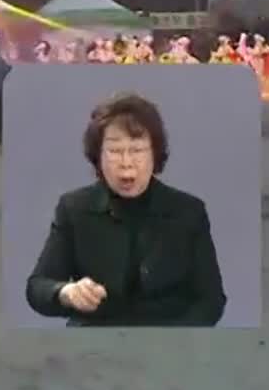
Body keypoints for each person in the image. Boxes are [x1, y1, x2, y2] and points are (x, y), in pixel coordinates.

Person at [25, 91, 226, 326]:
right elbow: (38, 286)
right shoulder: (74, 208)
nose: (126, 162)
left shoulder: (188, 212)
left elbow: (211, 301)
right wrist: (66, 293)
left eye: (137, 150)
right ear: (98, 156)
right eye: (115, 151)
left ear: (155, 154)